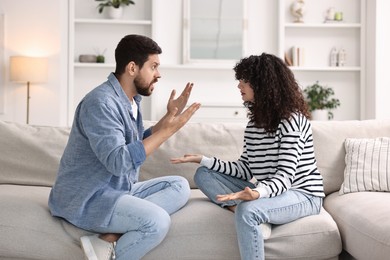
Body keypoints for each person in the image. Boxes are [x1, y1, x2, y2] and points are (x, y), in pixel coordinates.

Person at [48, 34, 200, 260]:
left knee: (179, 186)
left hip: (117, 189)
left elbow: (136, 142)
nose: (158, 74)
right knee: (157, 222)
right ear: (132, 68)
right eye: (153, 66)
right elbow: (119, 162)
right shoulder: (101, 103)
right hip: (87, 198)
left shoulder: (130, 101)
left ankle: (108, 238)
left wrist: (168, 118)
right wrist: (169, 130)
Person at [171, 53, 325, 260]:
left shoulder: (291, 121)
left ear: (263, 84)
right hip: (271, 191)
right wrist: (204, 159)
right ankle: (257, 214)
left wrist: (258, 193)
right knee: (203, 174)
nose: (239, 86)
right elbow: (245, 169)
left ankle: (253, 213)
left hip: (302, 194)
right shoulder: (254, 124)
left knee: (249, 211)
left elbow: (286, 176)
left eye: (244, 81)